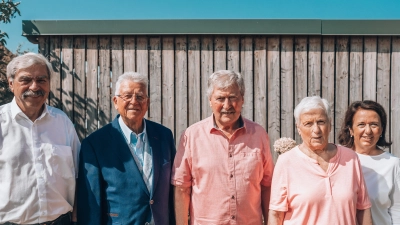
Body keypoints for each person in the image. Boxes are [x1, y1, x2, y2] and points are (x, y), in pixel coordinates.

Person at [172, 70, 274, 225]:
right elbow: (181, 189)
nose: (227, 105)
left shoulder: (258, 134)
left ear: (242, 99)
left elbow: (267, 186)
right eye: (220, 98)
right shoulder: (192, 136)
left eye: (233, 98)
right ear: (210, 100)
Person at [77, 72, 175, 225]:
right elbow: (91, 202)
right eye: (127, 96)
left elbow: (172, 188)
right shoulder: (95, 143)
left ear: (147, 103)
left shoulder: (164, 136)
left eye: (140, 97)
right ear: (116, 102)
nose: (134, 101)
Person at [0, 53, 80, 224]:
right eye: (26, 80)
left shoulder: (62, 122)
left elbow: (80, 170)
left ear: (49, 84)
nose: (34, 86)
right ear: (11, 83)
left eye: (41, 80)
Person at [268, 96, 372, 225]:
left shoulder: (351, 158)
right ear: (298, 128)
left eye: (321, 122)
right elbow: (276, 214)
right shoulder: (286, 162)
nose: (316, 130)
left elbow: (363, 209)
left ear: (330, 124)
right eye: (308, 123)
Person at [338, 100, 400, 224]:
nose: (368, 131)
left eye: (374, 125)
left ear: (381, 130)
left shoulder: (393, 164)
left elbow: (397, 210)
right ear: (350, 129)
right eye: (361, 124)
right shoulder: (338, 160)